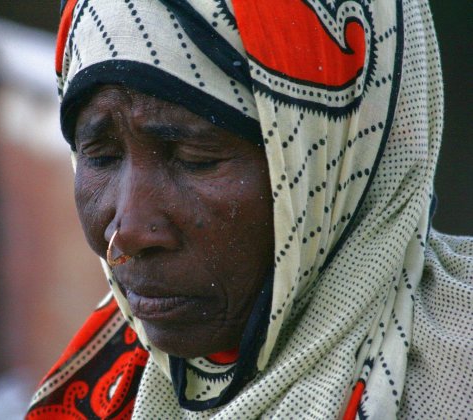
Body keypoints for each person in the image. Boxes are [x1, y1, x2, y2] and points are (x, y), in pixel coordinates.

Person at [27, 0, 473, 418]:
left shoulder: (454, 382)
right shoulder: (101, 387)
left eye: (195, 159)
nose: (128, 233)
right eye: (99, 156)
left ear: (333, 160)